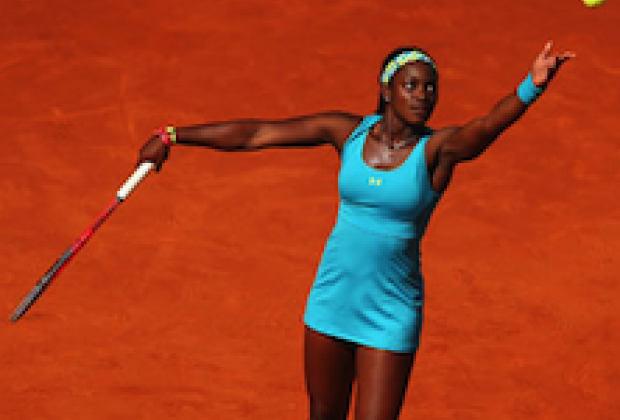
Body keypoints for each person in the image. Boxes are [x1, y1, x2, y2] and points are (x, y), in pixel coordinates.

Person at [138, 41, 575, 420]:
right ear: (386, 90)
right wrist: (173, 136)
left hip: (391, 311)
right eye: (411, 85)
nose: (422, 96)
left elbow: (484, 128)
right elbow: (256, 134)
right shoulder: (346, 132)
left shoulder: (437, 151)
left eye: (430, 87)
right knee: (324, 414)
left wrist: (532, 86)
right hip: (332, 300)